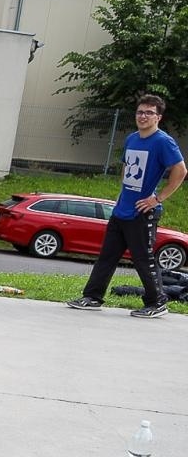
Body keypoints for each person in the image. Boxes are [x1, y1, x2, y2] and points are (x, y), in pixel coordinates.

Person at [68, 94, 185, 319]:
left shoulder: (163, 141)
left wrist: (157, 198)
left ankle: (157, 302)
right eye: (140, 112)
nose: (143, 116)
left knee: (143, 259)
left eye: (149, 113)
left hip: (143, 212)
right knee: (107, 256)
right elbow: (126, 168)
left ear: (158, 117)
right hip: (122, 209)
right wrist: (123, 195)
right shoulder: (132, 138)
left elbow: (180, 171)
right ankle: (92, 297)